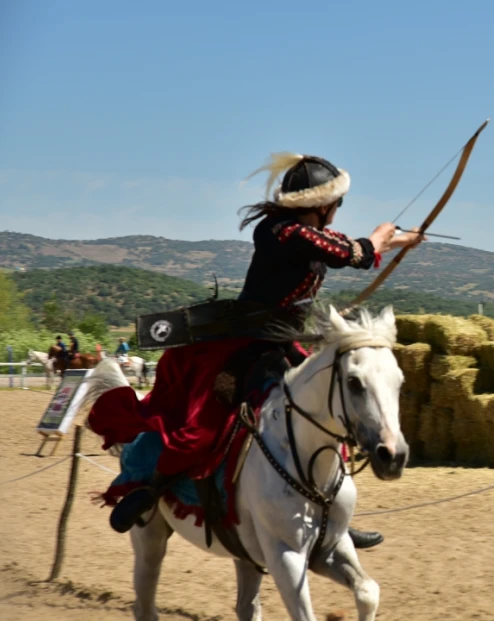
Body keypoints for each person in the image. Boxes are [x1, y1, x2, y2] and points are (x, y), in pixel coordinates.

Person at [87, 153, 423, 549]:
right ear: (320, 204)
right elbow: (349, 253)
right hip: (242, 348)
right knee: (202, 427)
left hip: (282, 344)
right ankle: (150, 487)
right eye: (338, 202)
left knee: (328, 411)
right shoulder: (280, 231)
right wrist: (382, 237)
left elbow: (348, 250)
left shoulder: (303, 231)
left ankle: (329, 514)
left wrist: (398, 240)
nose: (338, 211)